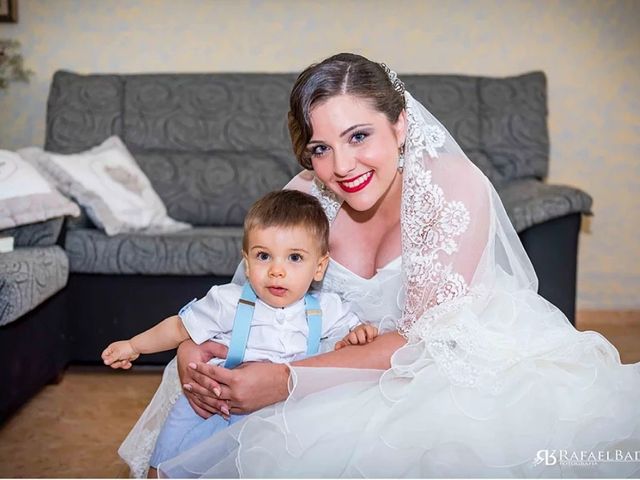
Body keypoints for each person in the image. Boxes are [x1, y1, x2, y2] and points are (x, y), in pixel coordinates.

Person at [120, 53, 640, 478]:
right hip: (322, 353)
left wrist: (286, 379)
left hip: (439, 367)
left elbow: (425, 341)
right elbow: (251, 292)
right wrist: (192, 348)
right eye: (321, 147)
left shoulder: (455, 188)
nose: (341, 167)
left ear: (401, 125)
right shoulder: (306, 194)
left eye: (359, 136)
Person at [109, 189, 376, 473]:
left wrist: (358, 333)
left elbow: (352, 335)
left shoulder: (326, 308)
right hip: (212, 403)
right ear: (247, 263)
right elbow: (179, 327)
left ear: (319, 267)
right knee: (167, 460)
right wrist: (134, 346)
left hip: (276, 410)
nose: (277, 270)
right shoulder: (228, 301)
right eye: (264, 256)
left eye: (294, 258)